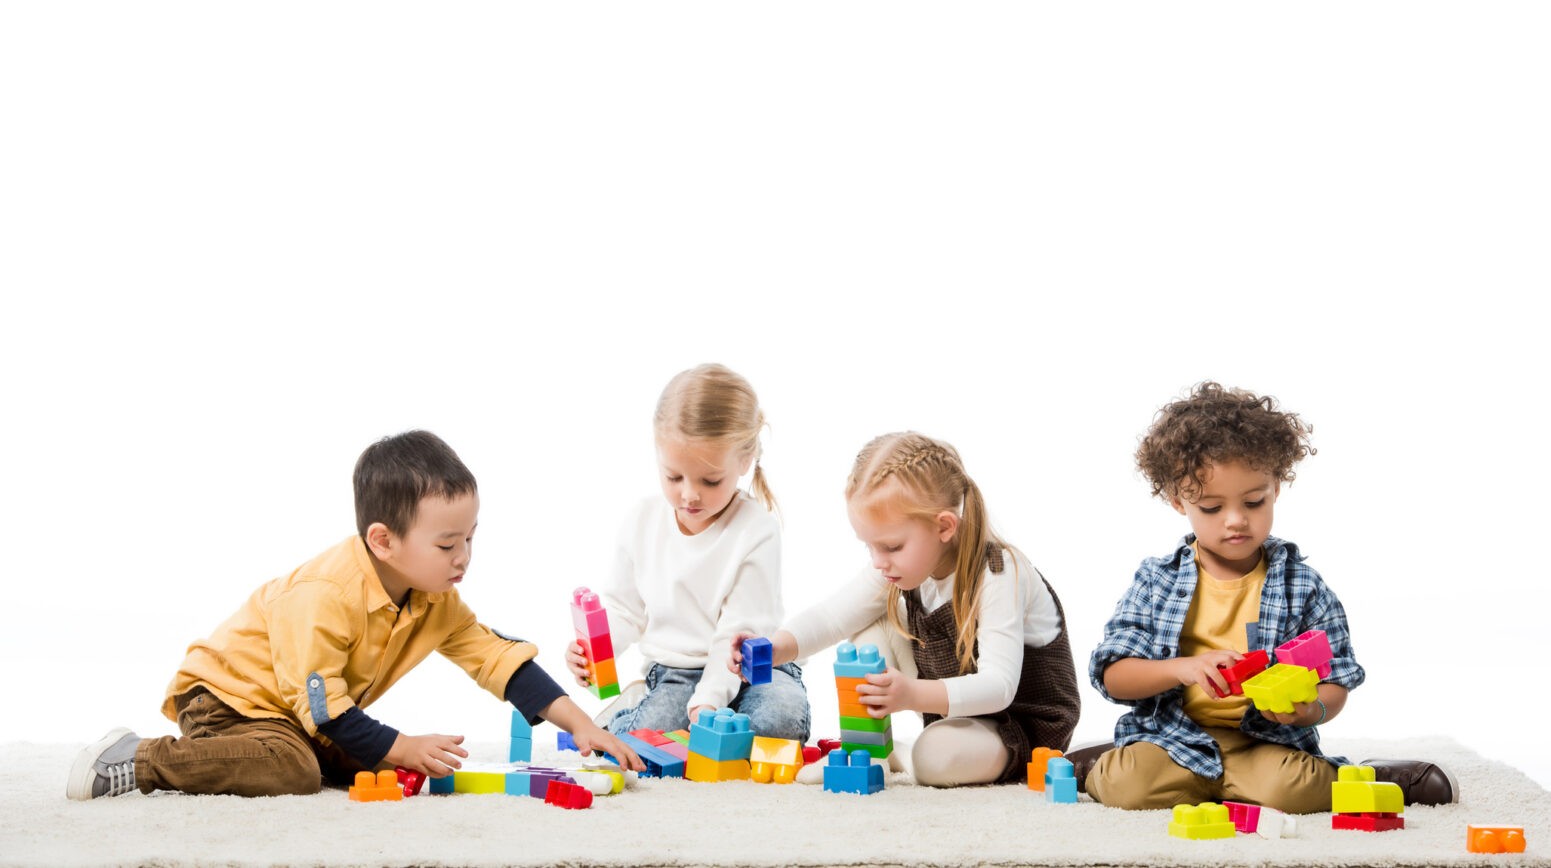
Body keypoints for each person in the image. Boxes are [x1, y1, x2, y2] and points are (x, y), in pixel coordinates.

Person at [66, 430, 641, 800]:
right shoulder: (323, 594)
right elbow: (327, 709)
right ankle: (137, 759)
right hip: (227, 701)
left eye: (470, 538)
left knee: (372, 766)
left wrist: (582, 725)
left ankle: (314, 752)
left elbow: (498, 658)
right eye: (447, 545)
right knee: (295, 770)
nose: (464, 557)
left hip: (300, 714)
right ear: (384, 541)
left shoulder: (436, 598)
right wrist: (401, 743)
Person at [1081, 381, 1457, 811]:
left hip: (1263, 743)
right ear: (1176, 499)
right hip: (1173, 740)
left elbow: (1336, 679)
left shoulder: (1302, 586)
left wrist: (1310, 711)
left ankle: (1371, 778)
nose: (1236, 520)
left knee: (1291, 791)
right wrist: (1184, 668)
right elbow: (1114, 675)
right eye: (1211, 508)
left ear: (1275, 486)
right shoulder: (1155, 581)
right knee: (1126, 788)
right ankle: (1108, 764)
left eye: (1254, 501)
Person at [733, 431, 1079, 787]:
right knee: (867, 633)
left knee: (935, 758)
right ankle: (870, 754)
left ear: (944, 526)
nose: (879, 562)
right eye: (870, 548)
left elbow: (999, 687)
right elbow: (832, 617)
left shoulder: (999, 572)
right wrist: (775, 649)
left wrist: (910, 695)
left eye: (891, 546)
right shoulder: (904, 565)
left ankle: (908, 753)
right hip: (959, 717)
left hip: (1020, 728)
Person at [568, 364, 809, 739]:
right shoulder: (642, 522)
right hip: (676, 671)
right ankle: (630, 707)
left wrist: (710, 702)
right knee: (645, 741)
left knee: (778, 724)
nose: (689, 494)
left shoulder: (757, 531)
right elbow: (624, 611)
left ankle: (707, 714)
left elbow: (737, 631)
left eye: (710, 480)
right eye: (673, 477)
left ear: (745, 461)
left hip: (753, 668)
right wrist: (596, 651)